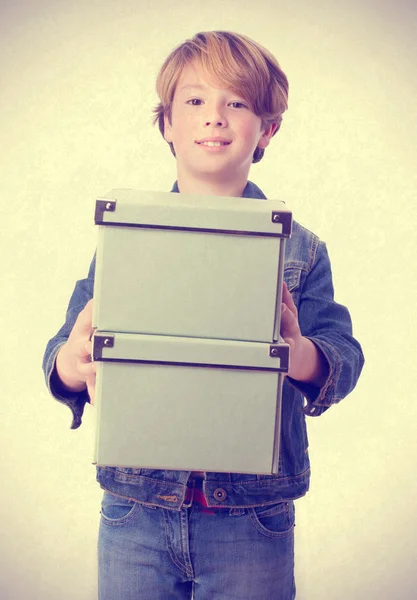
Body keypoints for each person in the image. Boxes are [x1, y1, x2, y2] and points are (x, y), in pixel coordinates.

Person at [42, 31, 364, 600]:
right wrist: (70, 361)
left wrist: (298, 352)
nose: (213, 117)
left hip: (251, 518)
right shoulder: (124, 239)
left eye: (235, 102)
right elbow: (65, 359)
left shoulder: (301, 251)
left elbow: (343, 357)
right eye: (194, 101)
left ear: (268, 128)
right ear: (166, 124)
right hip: (134, 513)